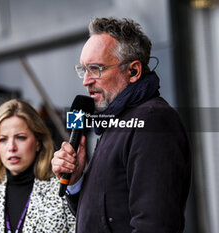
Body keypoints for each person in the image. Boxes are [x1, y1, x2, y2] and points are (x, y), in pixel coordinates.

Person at [51, 17, 191, 233]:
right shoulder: (117, 122)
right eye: (83, 70)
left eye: (96, 69)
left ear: (133, 71)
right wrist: (76, 181)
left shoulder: (152, 121)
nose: (86, 81)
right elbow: (100, 219)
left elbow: (154, 226)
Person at [0, 99, 75, 233]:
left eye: (20, 137)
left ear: (38, 142)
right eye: (2, 139)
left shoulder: (63, 191)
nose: (11, 147)